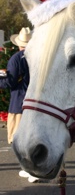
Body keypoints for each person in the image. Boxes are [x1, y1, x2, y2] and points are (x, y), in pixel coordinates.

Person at [0, 27, 39, 183]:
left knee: (19, 138)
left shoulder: (16, 58)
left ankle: (32, 169)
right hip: (37, 101)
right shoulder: (38, 56)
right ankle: (30, 168)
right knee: (34, 137)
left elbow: (10, 81)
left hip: (19, 103)